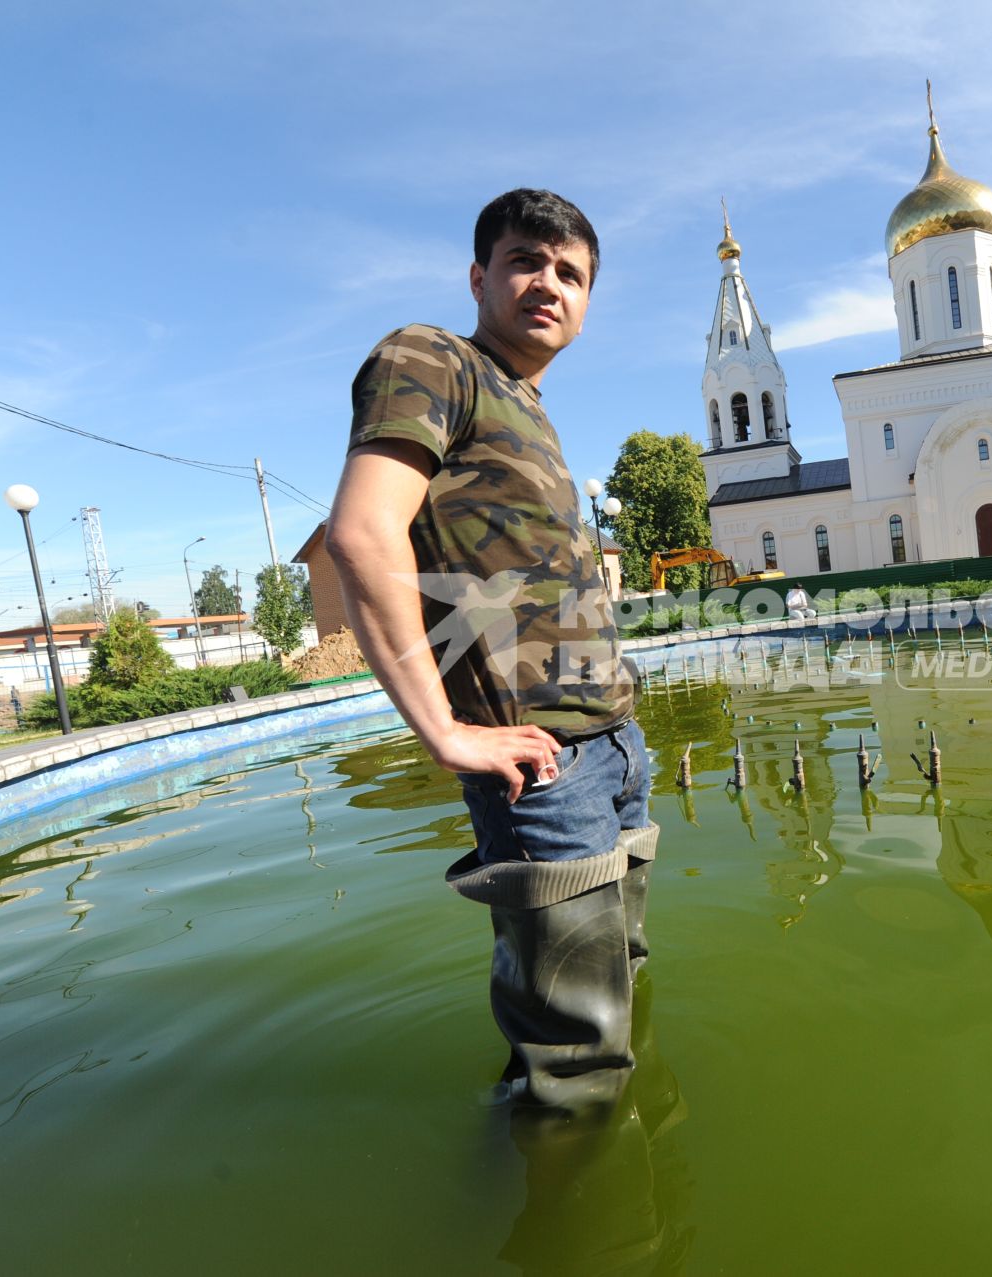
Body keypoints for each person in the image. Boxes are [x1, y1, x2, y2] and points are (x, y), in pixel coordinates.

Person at [326, 189, 655, 1115]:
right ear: (480, 276)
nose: (548, 283)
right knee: (574, 1066)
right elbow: (360, 535)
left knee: (616, 998)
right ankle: (570, 1230)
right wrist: (444, 730)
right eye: (525, 260)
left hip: (614, 752)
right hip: (541, 770)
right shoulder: (434, 360)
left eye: (571, 272)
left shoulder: (530, 408)